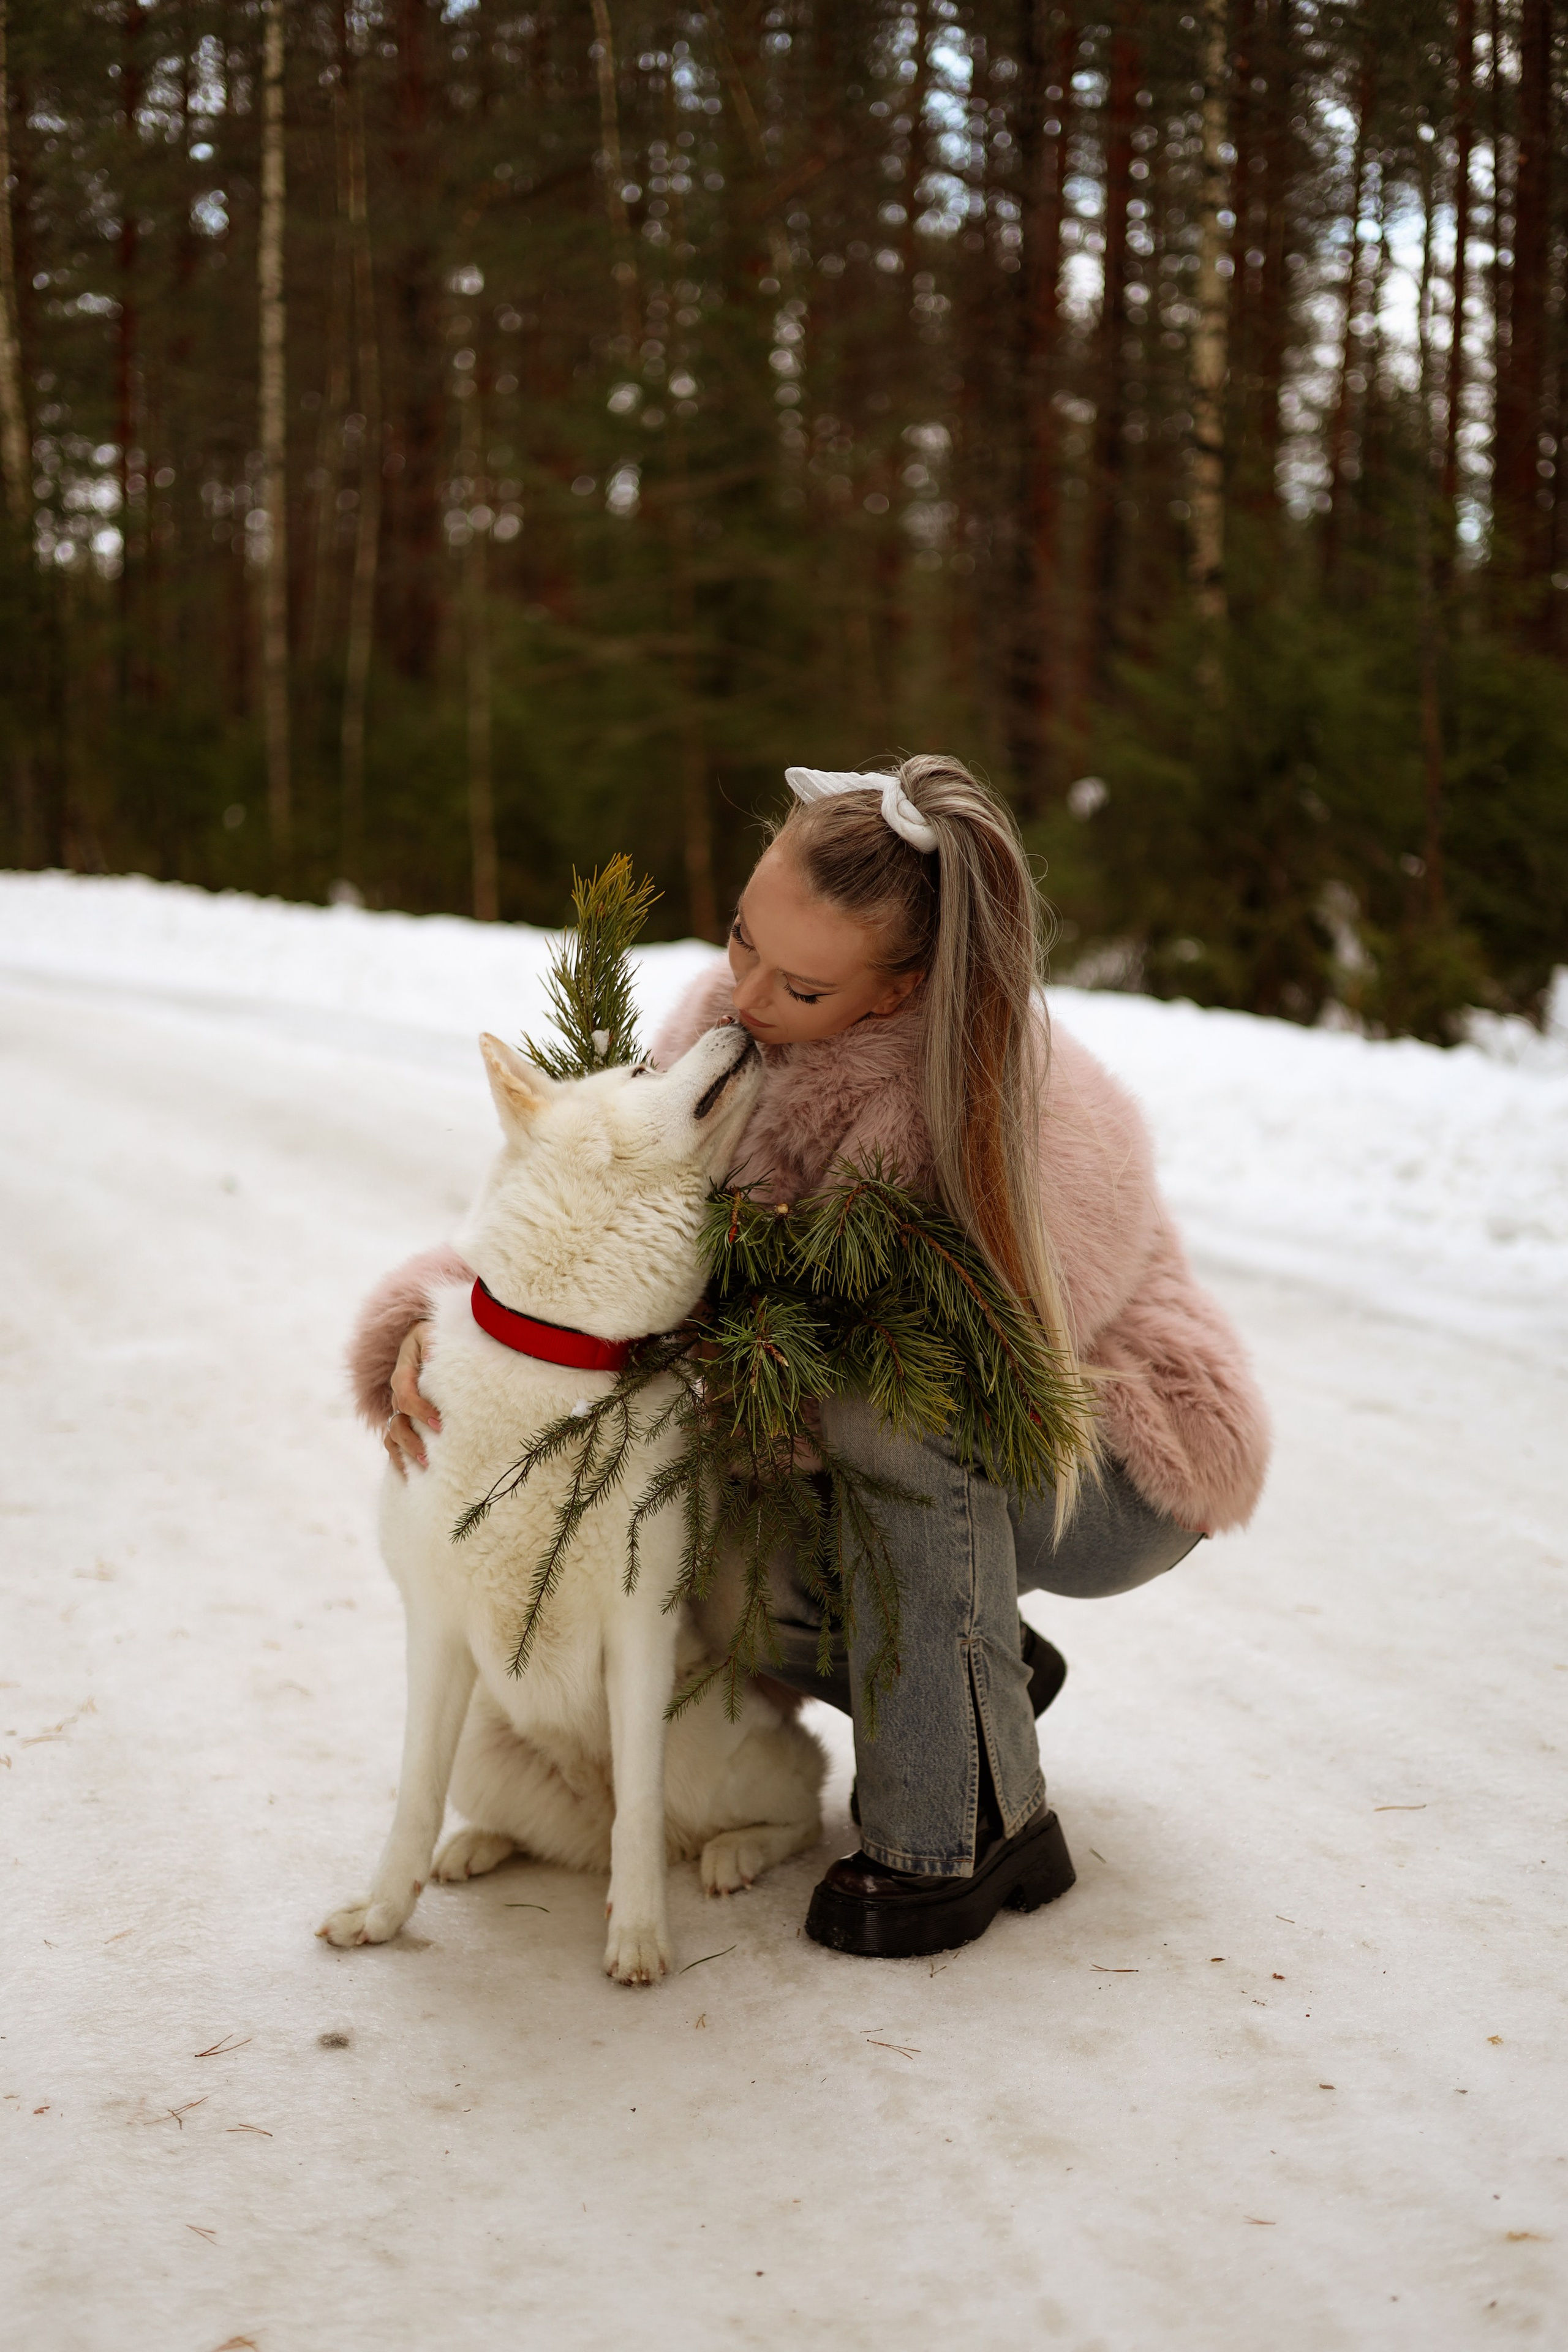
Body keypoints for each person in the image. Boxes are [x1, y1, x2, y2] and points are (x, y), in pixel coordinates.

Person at [350, 754, 1270, 1961]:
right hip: (886, 1441)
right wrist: (441, 1317)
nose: (742, 998)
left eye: (797, 984)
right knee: (713, 1560)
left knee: (880, 1410)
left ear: (904, 986)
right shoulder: (723, 1019)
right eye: (739, 941)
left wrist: (739, 1338)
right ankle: (960, 1667)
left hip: (1105, 1454)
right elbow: (601, 1193)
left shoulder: (1023, 1104)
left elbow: (956, 1360)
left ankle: (965, 1832)